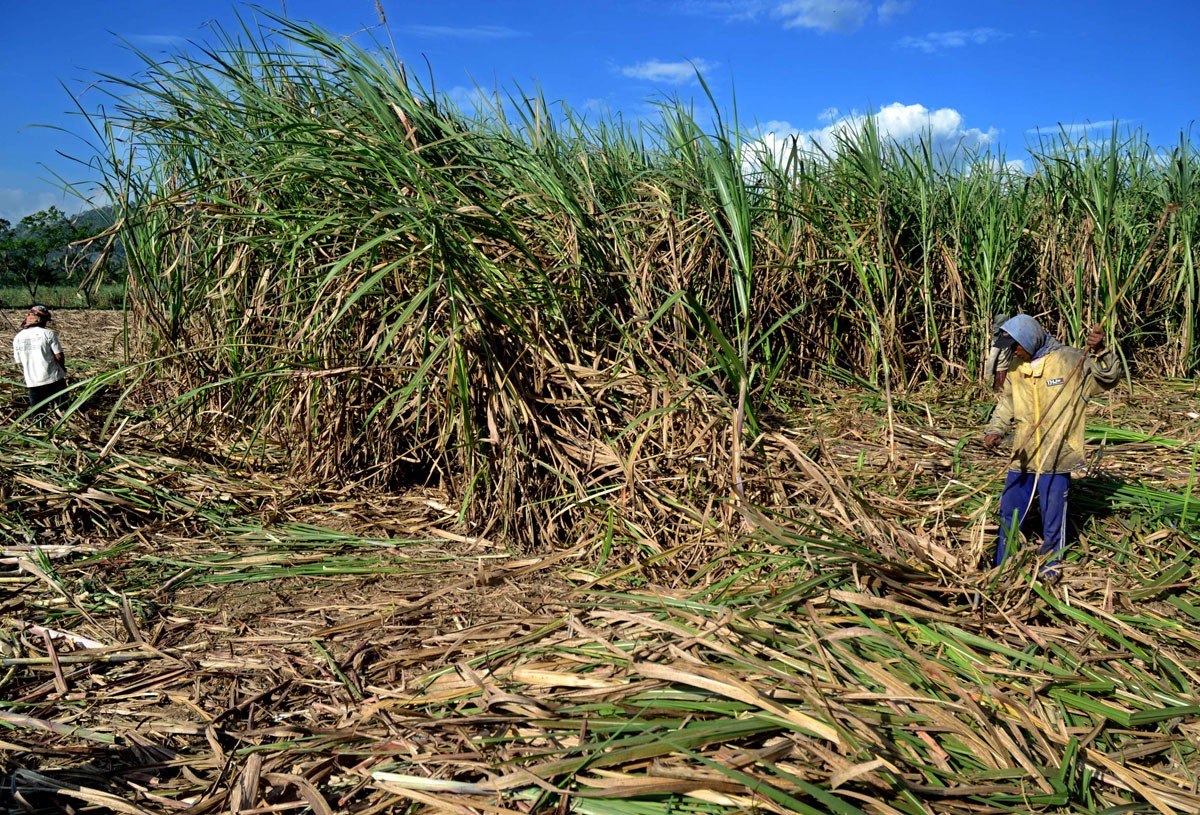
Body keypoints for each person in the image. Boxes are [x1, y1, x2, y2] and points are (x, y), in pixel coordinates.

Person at [982, 314, 1123, 578]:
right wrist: (995, 430)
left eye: (1015, 346)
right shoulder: (1016, 368)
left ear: (1029, 339)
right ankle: (1002, 564)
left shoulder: (1071, 361)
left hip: (1057, 455)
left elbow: (1109, 378)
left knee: (1053, 518)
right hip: (1023, 455)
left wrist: (1101, 351)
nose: (1013, 352)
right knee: (1010, 509)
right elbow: (1007, 405)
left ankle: (1050, 567)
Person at [12, 304, 68, 414]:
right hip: (54, 379)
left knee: (37, 414)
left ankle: (38, 429)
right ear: (42, 320)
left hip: (33, 382)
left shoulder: (18, 337)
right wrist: (63, 368)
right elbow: (59, 356)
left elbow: (18, 360)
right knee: (62, 411)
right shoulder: (48, 333)